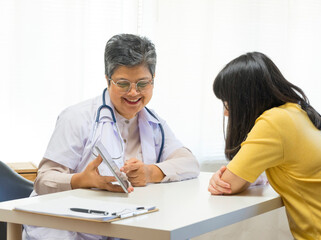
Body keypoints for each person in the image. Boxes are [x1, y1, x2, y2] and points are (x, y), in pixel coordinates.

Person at [23, 33, 200, 240]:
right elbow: (44, 180)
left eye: (143, 84)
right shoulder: (77, 117)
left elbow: (190, 163)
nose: (134, 93)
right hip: (67, 226)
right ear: (108, 80)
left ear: (153, 80)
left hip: (120, 225)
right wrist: (81, 180)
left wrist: (150, 172)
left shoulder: (154, 123)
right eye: (123, 84)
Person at [208, 52, 321, 239]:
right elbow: (240, 178)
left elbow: (229, 184)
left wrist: (223, 178)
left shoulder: (273, 122)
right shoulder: (295, 111)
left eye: (227, 103)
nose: (225, 113)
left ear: (245, 100)